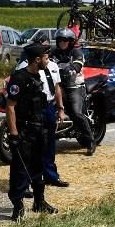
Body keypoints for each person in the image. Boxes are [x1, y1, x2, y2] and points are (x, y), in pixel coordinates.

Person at [5, 42, 59, 221]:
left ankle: (39, 201)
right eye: (45, 57)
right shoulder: (19, 78)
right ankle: (18, 206)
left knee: (39, 166)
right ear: (37, 59)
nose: (48, 60)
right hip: (24, 131)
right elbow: (10, 107)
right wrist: (13, 134)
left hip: (39, 128)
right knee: (20, 169)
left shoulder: (40, 75)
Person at [16, 47, 68, 188]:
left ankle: (51, 176)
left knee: (49, 144)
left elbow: (57, 88)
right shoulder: (24, 67)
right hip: (32, 110)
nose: (47, 57)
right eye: (45, 54)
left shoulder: (52, 66)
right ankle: (25, 183)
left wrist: (60, 108)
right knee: (29, 148)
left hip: (49, 107)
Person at [50, 28, 98, 155]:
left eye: (65, 40)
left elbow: (77, 65)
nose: (62, 42)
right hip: (59, 86)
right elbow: (45, 63)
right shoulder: (54, 53)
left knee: (76, 113)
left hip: (75, 87)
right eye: (60, 39)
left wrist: (72, 68)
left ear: (70, 41)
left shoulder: (76, 52)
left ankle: (90, 142)